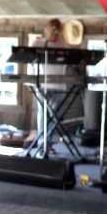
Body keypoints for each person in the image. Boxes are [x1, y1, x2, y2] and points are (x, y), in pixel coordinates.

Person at [30, 19, 72, 153]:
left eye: (57, 29)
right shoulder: (38, 43)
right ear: (47, 29)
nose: (54, 32)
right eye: (52, 29)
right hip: (42, 85)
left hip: (59, 86)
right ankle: (43, 144)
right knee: (42, 115)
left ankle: (50, 143)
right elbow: (29, 59)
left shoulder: (63, 45)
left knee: (55, 117)